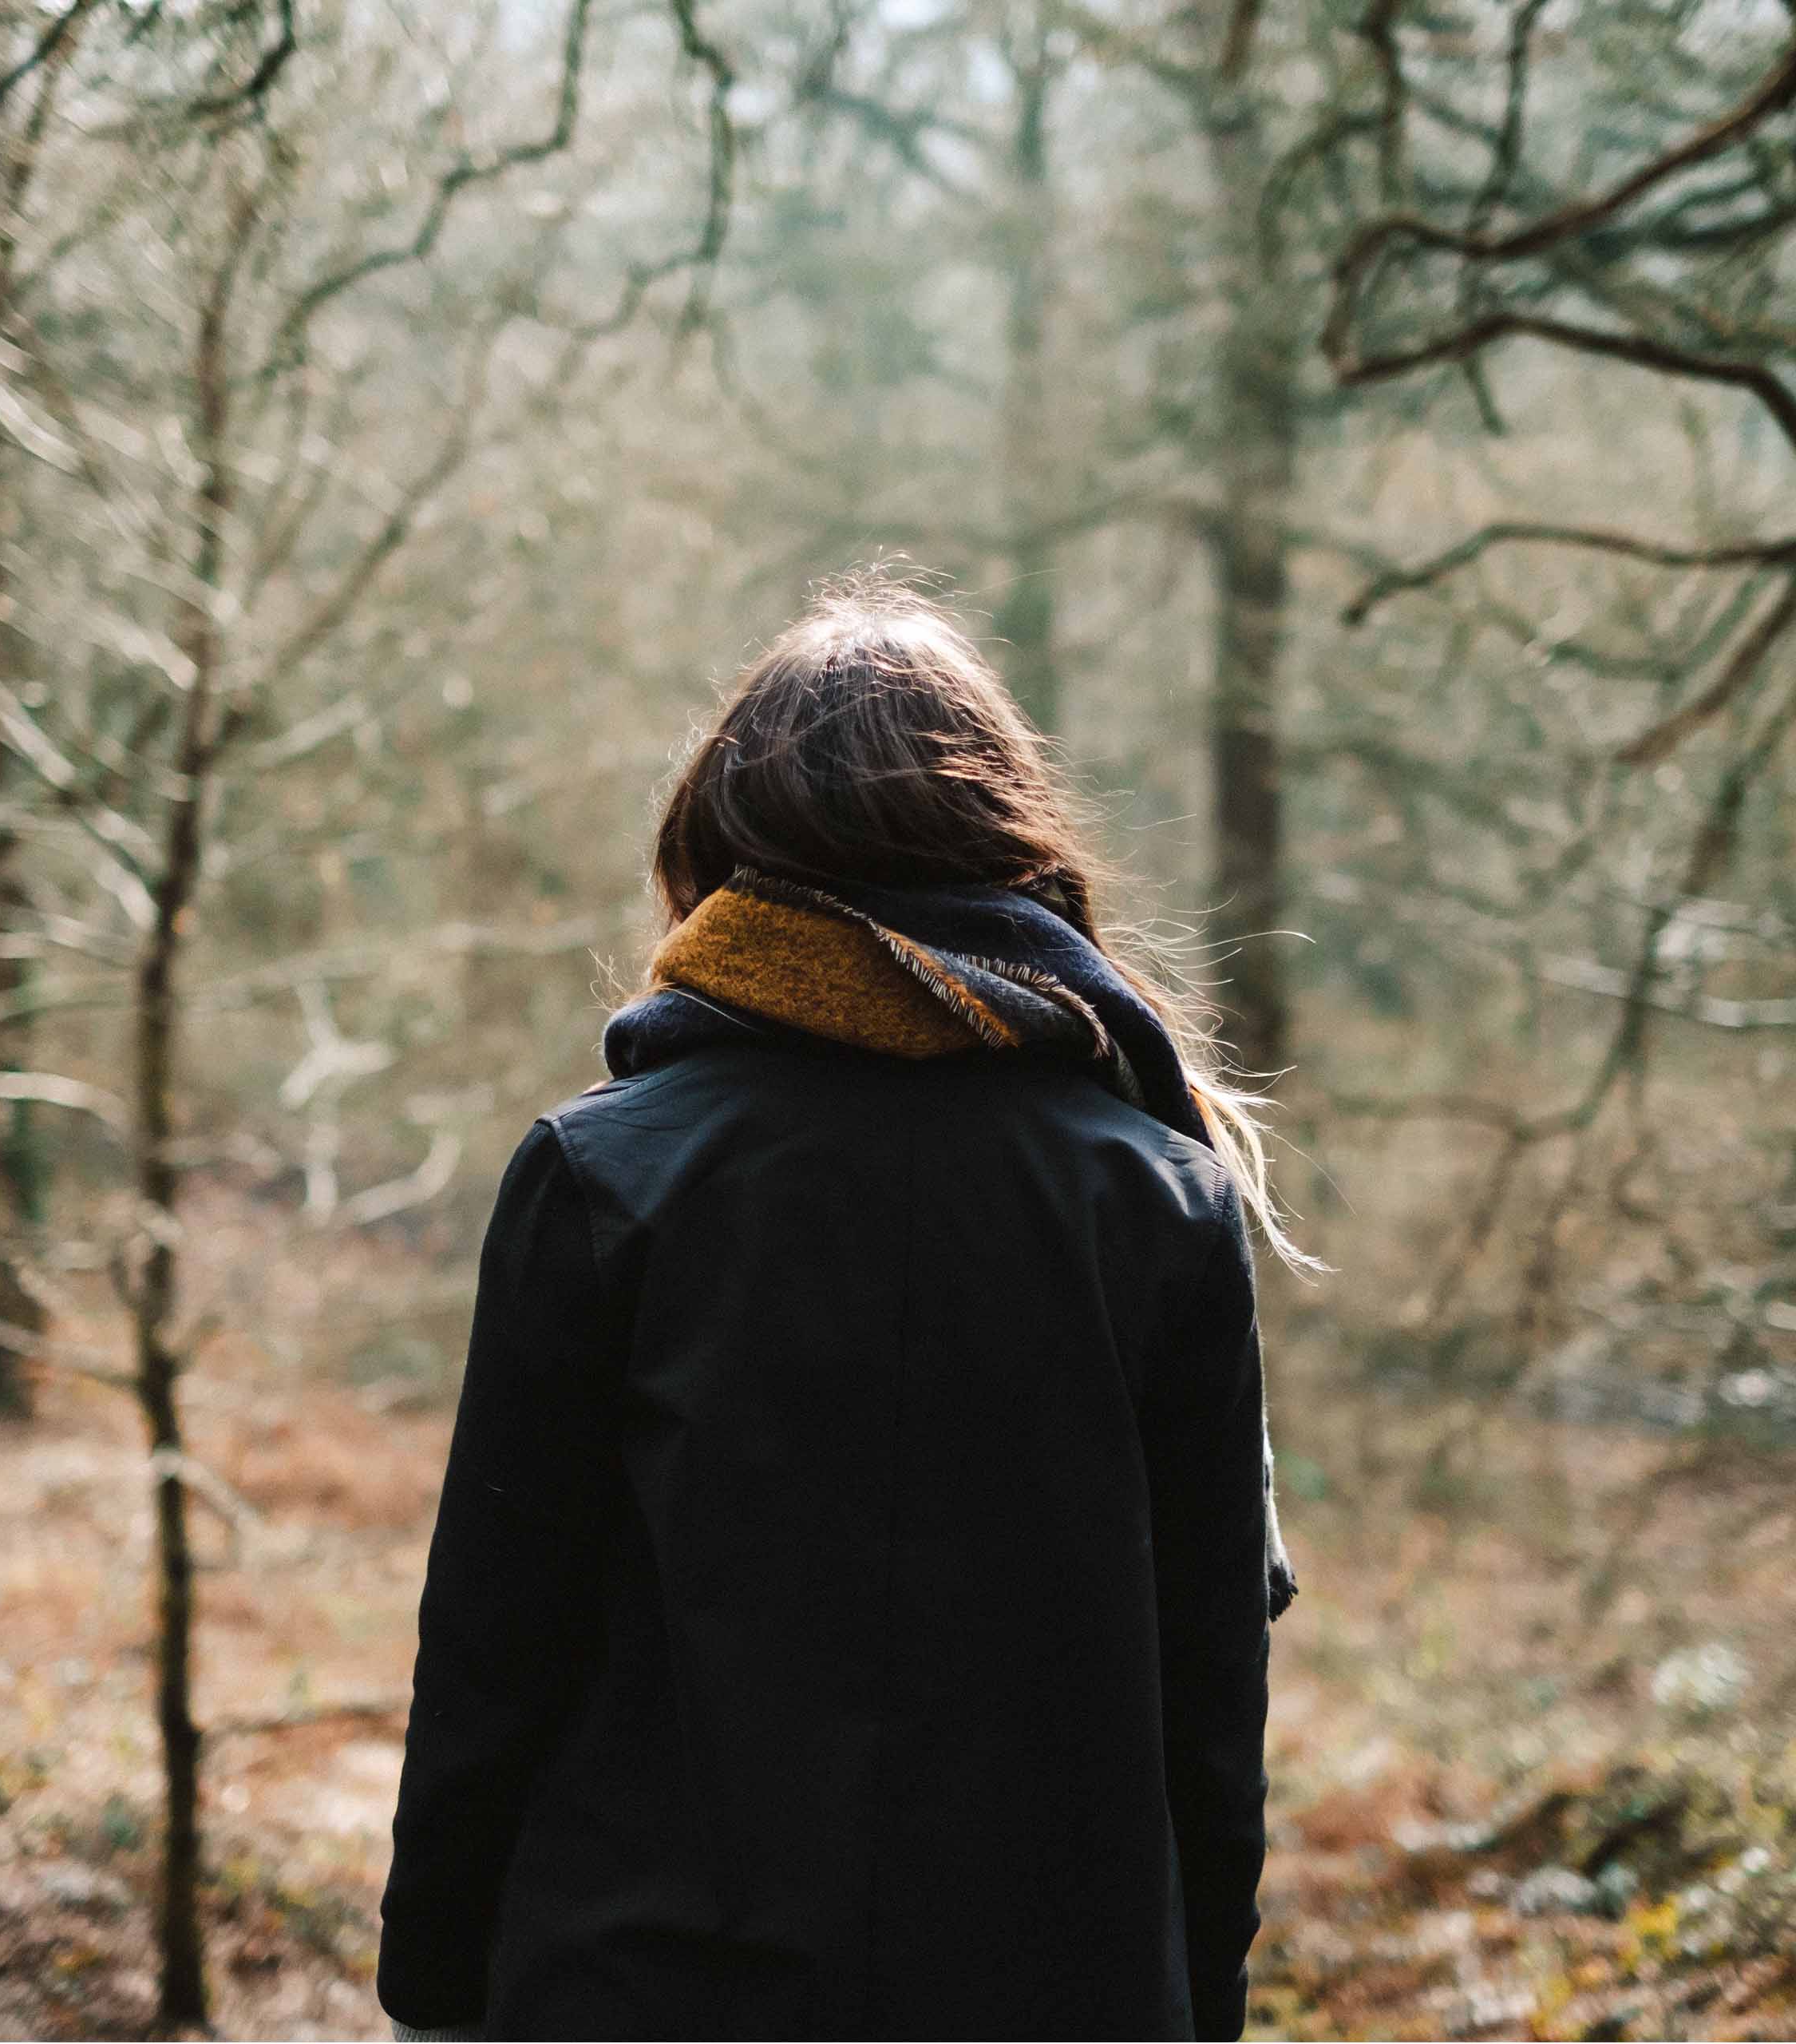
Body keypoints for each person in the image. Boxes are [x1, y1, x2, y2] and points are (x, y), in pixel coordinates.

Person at [375, 577, 1300, 2042]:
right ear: (1006, 852)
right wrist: (1207, 2000)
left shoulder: (606, 1178)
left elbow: (496, 1647)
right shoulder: (1160, 1196)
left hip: (645, 1990)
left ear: (721, 852)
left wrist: (431, 1988)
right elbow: (1210, 1688)